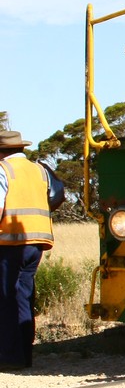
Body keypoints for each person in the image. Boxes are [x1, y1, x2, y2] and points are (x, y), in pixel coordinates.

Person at [0, 130, 56, 370]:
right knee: (24, 295)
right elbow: (56, 196)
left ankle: (10, 357)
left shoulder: (3, 170)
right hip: (38, 241)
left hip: (10, 242)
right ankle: (25, 355)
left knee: (5, 298)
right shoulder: (40, 169)